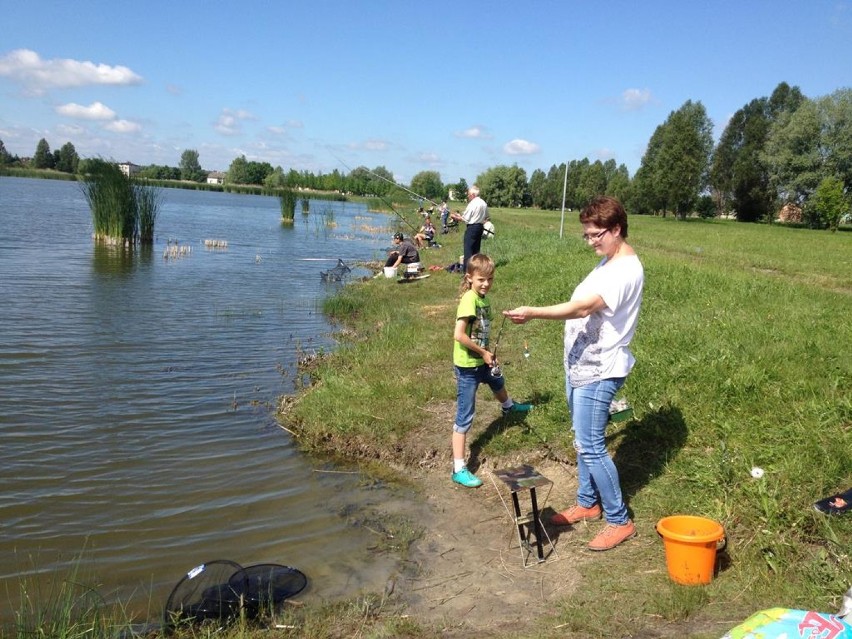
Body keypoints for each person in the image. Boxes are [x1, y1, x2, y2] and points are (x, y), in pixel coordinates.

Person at [504, 196, 644, 551]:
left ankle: (618, 520)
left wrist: (533, 312)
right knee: (582, 438)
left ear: (616, 230)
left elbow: (583, 308)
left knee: (593, 446)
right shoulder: (609, 260)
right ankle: (587, 502)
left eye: (596, 234)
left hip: (601, 370)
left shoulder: (625, 270)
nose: (591, 241)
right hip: (582, 366)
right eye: (587, 235)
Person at [452, 254, 532, 488]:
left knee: (497, 381)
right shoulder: (469, 300)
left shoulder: (483, 299)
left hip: (480, 359)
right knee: (465, 415)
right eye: (481, 279)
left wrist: (487, 354)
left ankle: (509, 408)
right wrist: (483, 352)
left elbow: (480, 331)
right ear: (469, 278)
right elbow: (460, 335)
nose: (486, 283)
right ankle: (458, 468)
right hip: (467, 365)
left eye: (490, 279)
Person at [450, 185, 488, 271]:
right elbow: (486, 217)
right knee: (476, 250)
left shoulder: (472, 203)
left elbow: (464, 219)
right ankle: (476, 270)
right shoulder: (483, 203)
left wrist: (454, 216)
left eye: (469, 195)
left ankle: (467, 273)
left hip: (472, 228)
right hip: (480, 227)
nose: (468, 196)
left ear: (473, 195)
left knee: (468, 251)